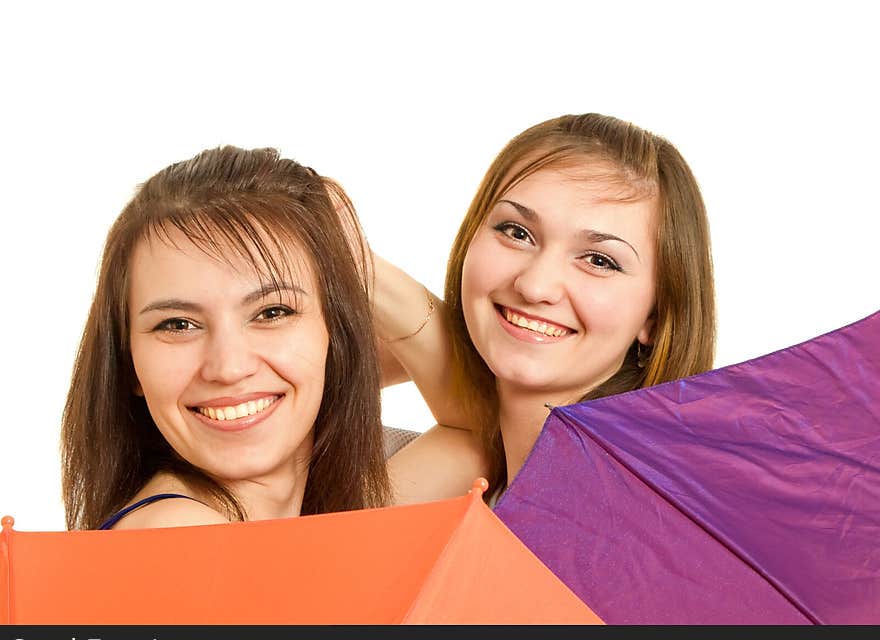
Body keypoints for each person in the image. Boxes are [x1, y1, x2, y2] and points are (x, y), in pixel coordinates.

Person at [376, 113, 716, 504]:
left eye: (598, 260)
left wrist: (398, 303)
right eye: (516, 233)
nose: (535, 286)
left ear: (655, 318)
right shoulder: (460, 466)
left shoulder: (642, 518)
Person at [61, 145, 395, 530]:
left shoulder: (317, 516)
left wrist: (349, 258)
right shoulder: (177, 533)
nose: (229, 367)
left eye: (272, 313)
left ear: (333, 331)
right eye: (178, 325)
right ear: (129, 363)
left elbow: (472, 419)